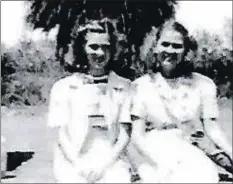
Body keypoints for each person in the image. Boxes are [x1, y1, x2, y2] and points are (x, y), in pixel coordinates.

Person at [129, 20, 232, 183]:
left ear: (186, 50)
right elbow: (137, 136)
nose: (170, 51)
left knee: (204, 177)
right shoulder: (140, 86)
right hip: (151, 152)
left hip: (188, 148)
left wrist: (231, 152)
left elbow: (212, 129)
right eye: (165, 44)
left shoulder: (203, 84)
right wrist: (159, 163)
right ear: (155, 47)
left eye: (177, 46)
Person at [47, 18, 132, 183]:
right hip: (73, 160)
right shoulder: (63, 88)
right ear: (82, 48)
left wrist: (105, 165)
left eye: (105, 47)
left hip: (112, 161)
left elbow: (124, 134)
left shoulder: (125, 86)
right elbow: (61, 135)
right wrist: (79, 165)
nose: (100, 53)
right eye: (93, 46)